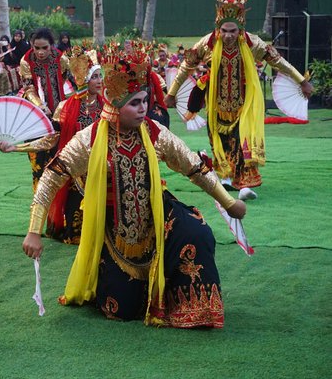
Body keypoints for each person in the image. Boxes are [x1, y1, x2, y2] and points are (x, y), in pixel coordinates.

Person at [23, 50, 247, 328]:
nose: (144, 108)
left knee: (197, 233)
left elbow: (194, 168)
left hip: (157, 214)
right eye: (135, 103)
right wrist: (34, 230)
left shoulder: (155, 132)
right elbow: (50, 179)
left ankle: (194, 310)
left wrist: (228, 203)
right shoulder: (88, 139)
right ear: (116, 104)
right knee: (121, 309)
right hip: (114, 229)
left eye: (145, 101)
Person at [164, 0, 313, 200]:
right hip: (216, 104)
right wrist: (171, 93)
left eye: (233, 31)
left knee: (242, 140)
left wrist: (302, 80)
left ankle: (243, 184)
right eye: (224, 30)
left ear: (241, 28)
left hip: (244, 103)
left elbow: (278, 61)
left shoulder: (252, 43)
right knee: (220, 141)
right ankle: (225, 179)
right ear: (218, 27)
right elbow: (186, 66)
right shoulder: (207, 43)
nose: (228, 35)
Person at [0, 46, 104, 244]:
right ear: (83, 79)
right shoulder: (66, 107)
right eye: (95, 77)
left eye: (100, 76)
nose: (100, 81)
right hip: (77, 173)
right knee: (76, 234)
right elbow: (51, 138)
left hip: (102, 169)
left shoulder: (107, 106)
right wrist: (16, 147)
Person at [19, 27, 71, 189]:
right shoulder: (26, 61)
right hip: (35, 116)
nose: (40, 52)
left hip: (59, 114)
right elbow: (28, 88)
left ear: (51, 46)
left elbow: (66, 82)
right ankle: (40, 197)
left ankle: (58, 199)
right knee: (38, 162)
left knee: (60, 158)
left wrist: (59, 106)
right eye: (37, 48)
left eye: (45, 48)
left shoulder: (61, 59)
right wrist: (40, 105)